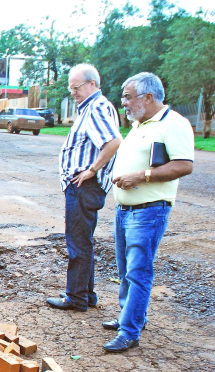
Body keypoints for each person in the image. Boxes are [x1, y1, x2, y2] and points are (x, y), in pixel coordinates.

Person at [104, 72, 194, 352]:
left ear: (148, 97)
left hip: (148, 211)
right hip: (125, 210)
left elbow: (184, 165)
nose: (124, 104)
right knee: (125, 270)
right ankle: (129, 316)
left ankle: (129, 331)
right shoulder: (140, 124)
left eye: (128, 97)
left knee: (138, 271)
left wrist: (141, 176)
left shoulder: (173, 124)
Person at [47, 64, 122, 312]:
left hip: (84, 185)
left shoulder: (97, 108)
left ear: (92, 84)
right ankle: (84, 293)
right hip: (82, 186)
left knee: (77, 242)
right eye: (71, 88)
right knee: (83, 240)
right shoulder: (90, 108)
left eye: (76, 87)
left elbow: (113, 141)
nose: (73, 93)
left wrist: (92, 170)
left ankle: (76, 297)